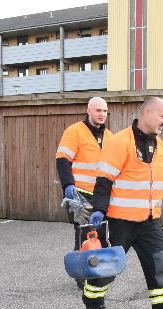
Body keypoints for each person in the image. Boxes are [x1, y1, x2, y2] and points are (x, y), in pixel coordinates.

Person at [83, 97, 163, 309]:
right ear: (147, 112)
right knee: (108, 267)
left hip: (149, 221)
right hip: (120, 221)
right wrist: (99, 209)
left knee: (160, 263)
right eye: (162, 116)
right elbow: (104, 180)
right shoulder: (119, 142)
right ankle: (92, 301)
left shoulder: (160, 147)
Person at [56, 97, 113, 287]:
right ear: (89, 111)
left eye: (105, 111)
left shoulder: (110, 137)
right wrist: (67, 185)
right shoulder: (74, 132)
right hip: (79, 194)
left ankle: (97, 273)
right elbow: (63, 159)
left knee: (102, 236)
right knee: (84, 236)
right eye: (98, 110)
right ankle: (82, 276)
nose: (102, 114)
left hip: (101, 195)